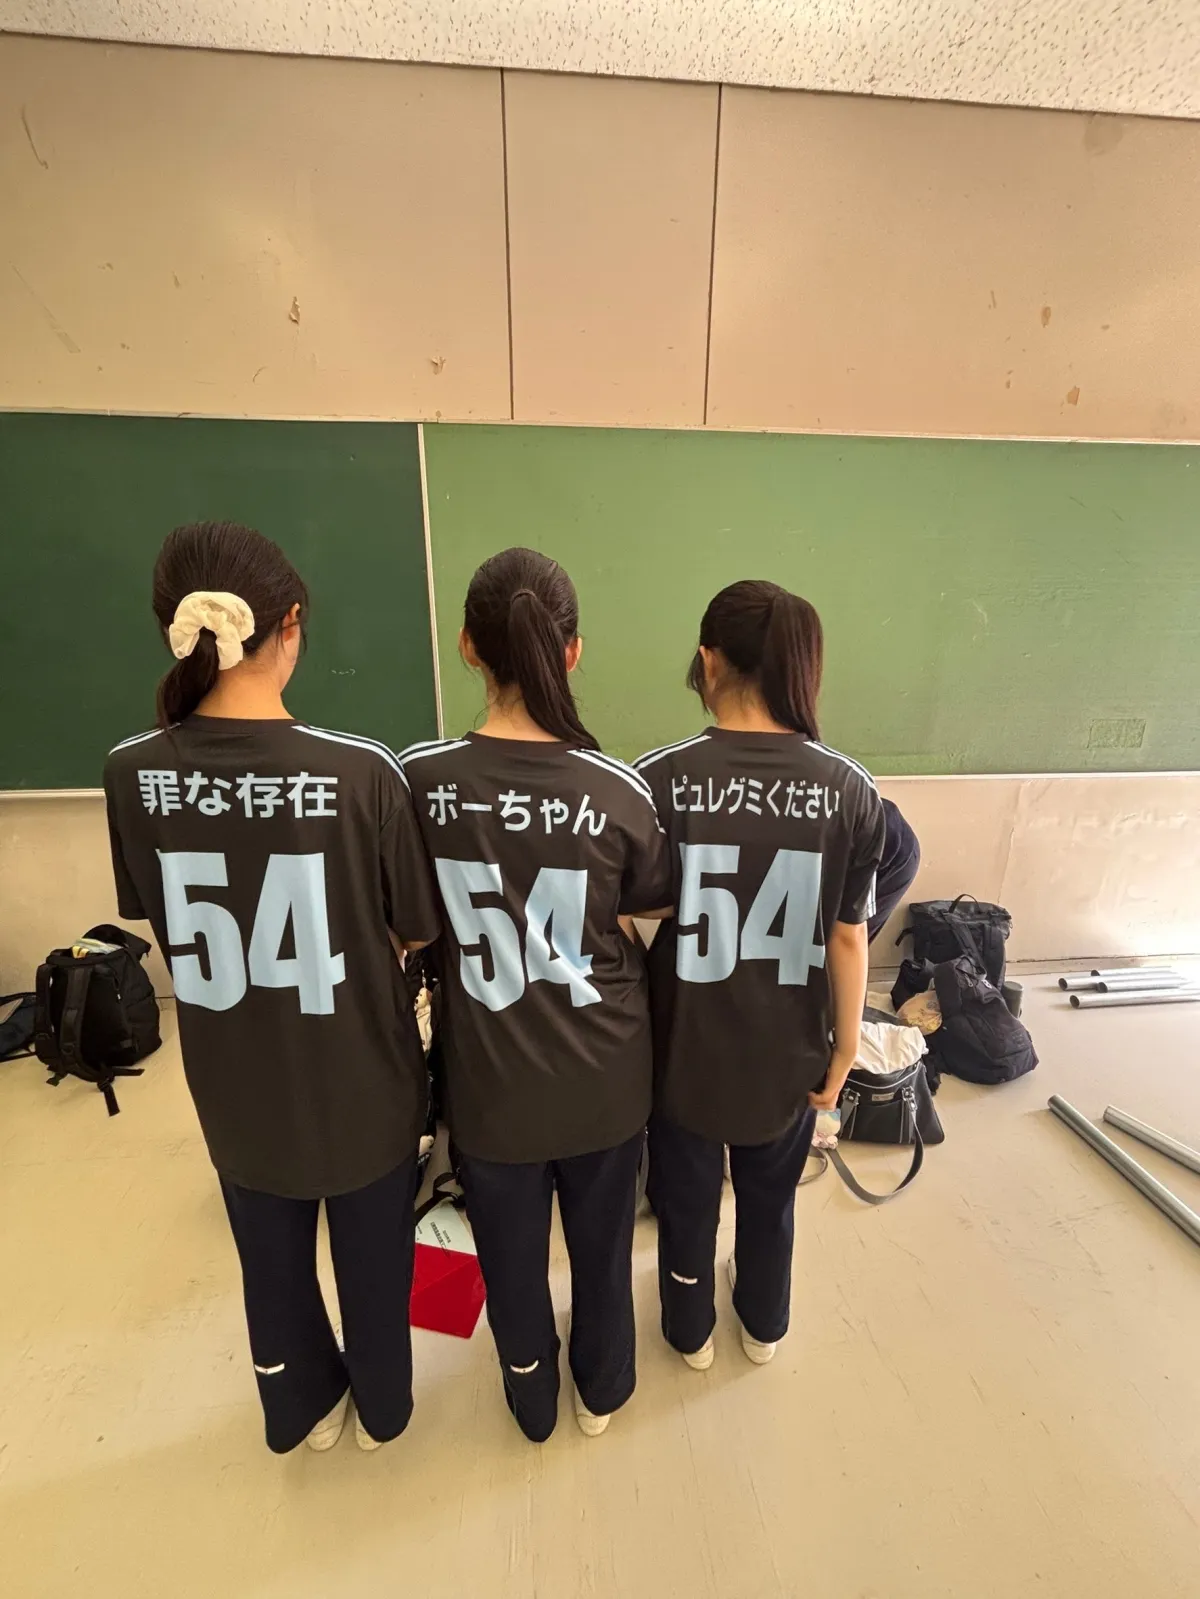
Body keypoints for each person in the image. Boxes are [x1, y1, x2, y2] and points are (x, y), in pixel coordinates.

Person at [104, 521, 439, 1455]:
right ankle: (383, 1410)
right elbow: (416, 927)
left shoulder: (131, 771)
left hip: (235, 1084)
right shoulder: (362, 770)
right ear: (289, 623)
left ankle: (300, 1410)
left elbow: (155, 913)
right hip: (362, 1078)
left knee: (271, 1264)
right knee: (376, 1259)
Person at [402, 547, 670, 1442]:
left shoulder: (418, 780)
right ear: (573, 651)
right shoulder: (618, 787)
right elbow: (653, 905)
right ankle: (603, 1391)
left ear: (468, 645)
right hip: (606, 1078)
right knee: (603, 1252)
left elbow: (409, 923)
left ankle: (531, 1399)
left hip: (492, 1089)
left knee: (511, 1263)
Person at [635, 580, 885, 1370]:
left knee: (685, 1199)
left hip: (681, 1045)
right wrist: (845, 1047)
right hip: (789, 1048)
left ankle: (689, 1331)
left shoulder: (656, 777)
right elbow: (847, 935)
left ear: (708, 661)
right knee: (771, 1198)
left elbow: (618, 908)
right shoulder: (850, 787)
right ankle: (764, 1324)